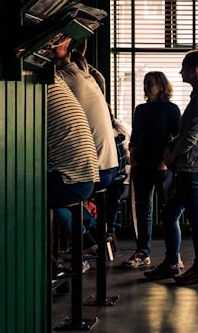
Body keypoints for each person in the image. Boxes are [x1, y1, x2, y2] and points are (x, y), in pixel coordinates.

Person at [144, 47, 198, 285]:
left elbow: (189, 139)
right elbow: (186, 135)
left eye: (184, 67)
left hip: (194, 168)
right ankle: (172, 263)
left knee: (196, 219)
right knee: (169, 214)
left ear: (194, 70)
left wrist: (171, 157)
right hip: (190, 168)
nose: (180, 71)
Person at [54, 42, 121, 251]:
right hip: (110, 165)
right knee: (68, 191)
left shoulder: (65, 79)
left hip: (96, 168)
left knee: (40, 195)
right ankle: (90, 230)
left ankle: (84, 236)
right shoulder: (87, 77)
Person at [121, 71, 181, 270]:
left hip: (163, 167)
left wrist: (165, 163)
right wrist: (133, 156)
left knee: (168, 212)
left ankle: (173, 255)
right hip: (141, 166)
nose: (147, 87)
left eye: (151, 83)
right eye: (145, 83)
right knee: (143, 210)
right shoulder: (141, 109)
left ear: (162, 86)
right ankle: (143, 252)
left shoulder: (171, 109)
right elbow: (135, 136)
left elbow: (177, 138)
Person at [46, 74, 100, 257]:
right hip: (87, 176)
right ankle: (89, 231)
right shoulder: (58, 82)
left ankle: (46, 264)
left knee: (26, 197)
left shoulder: (37, 85)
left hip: (72, 180)